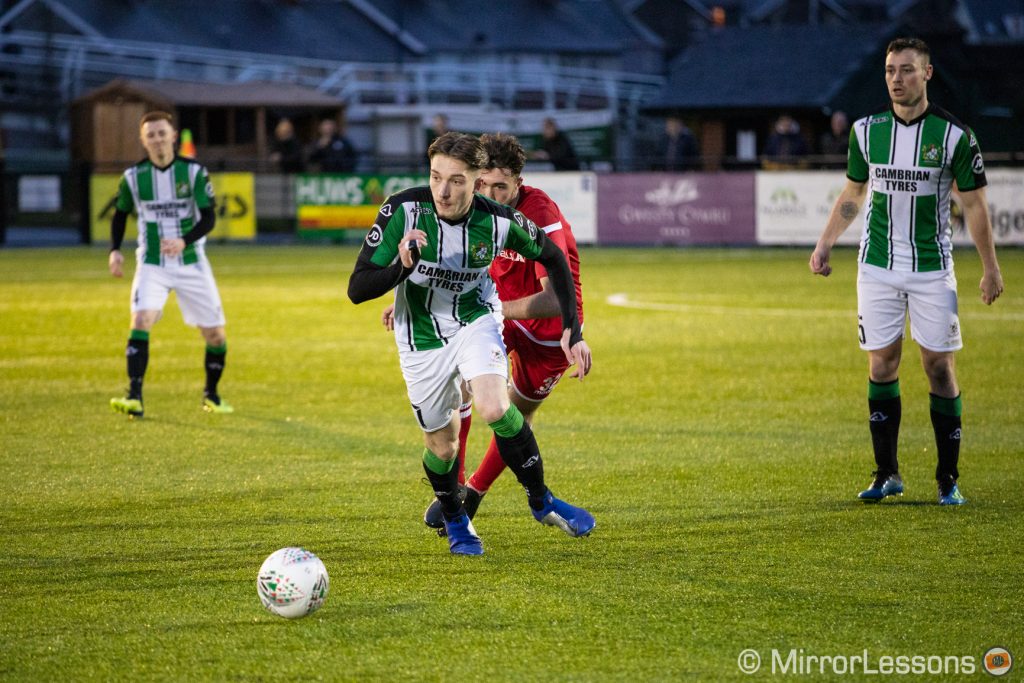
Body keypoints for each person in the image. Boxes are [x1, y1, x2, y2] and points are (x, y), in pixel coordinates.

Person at [348, 132, 594, 555]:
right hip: (421, 335)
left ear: (475, 179)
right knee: (440, 445)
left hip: (477, 319)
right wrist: (400, 270)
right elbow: (356, 288)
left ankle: (540, 499)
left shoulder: (499, 220)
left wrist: (572, 326)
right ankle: (457, 517)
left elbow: (554, 258)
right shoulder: (403, 210)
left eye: (457, 180)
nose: (443, 190)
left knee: (496, 406)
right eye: (436, 177)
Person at [809, 37, 1003, 505]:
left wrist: (991, 268)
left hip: (933, 270)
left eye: (908, 70)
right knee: (882, 364)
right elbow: (853, 193)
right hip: (875, 267)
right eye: (891, 70)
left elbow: (974, 205)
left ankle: (948, 479)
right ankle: (887, 473)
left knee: (938, 367)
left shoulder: (956, 136)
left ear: (928, 74)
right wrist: (825, 243)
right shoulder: (865, 131)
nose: (898, 79)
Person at [404, 133, 586, 533]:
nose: (489, 193)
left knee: (515, 415)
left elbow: (555, 297)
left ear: (519, 182)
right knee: (466, 386)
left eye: (500, 186)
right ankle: (455, 491)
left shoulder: (540, 214)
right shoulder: (475, 208)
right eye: (483, 183)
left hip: (548, 332)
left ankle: (477, 491)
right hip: (497, 313)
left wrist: (500, 310)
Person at [108, 111, 233, 418]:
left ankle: (212, 395)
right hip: (152, 263)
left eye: (162, 133)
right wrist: (114, 250)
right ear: (143, 140)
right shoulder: (133, 178)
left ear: (173, 135)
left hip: (191, 262)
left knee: (216, 336)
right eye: (150, 134)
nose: (157, 139)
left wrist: (184, 240)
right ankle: (134, 395)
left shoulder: (193, 173)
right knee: (141, 320)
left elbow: (209, 218)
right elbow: (121, 213)